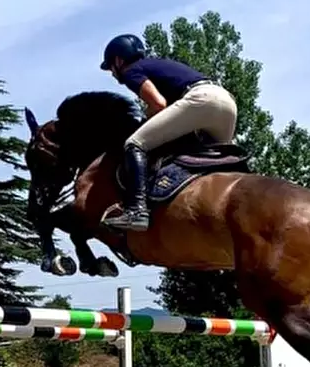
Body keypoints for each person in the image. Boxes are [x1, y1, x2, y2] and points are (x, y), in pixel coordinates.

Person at [99, 33, 238, 231]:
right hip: (226, 103)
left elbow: (158, 103)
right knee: (224, 168)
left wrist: (143, 125)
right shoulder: (158, 64)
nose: (113, 74)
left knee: (135, 143)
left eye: (111, 67)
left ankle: (137, 211)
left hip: (200, 100)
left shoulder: (132, 71)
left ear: (119, 61)